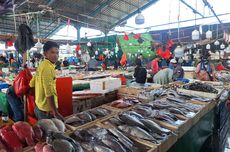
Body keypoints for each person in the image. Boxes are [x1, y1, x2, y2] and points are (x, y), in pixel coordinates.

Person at [29, 41, 64, 121]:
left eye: (57, 53)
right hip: (46, 111)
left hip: (39, 107)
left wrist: (38, 98)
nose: (55, 55)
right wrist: (55, 112)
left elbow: (31, 84)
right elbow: (49, 92)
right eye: (52, 52)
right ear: (45, 54)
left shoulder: (42, 64)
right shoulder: (47, 67)